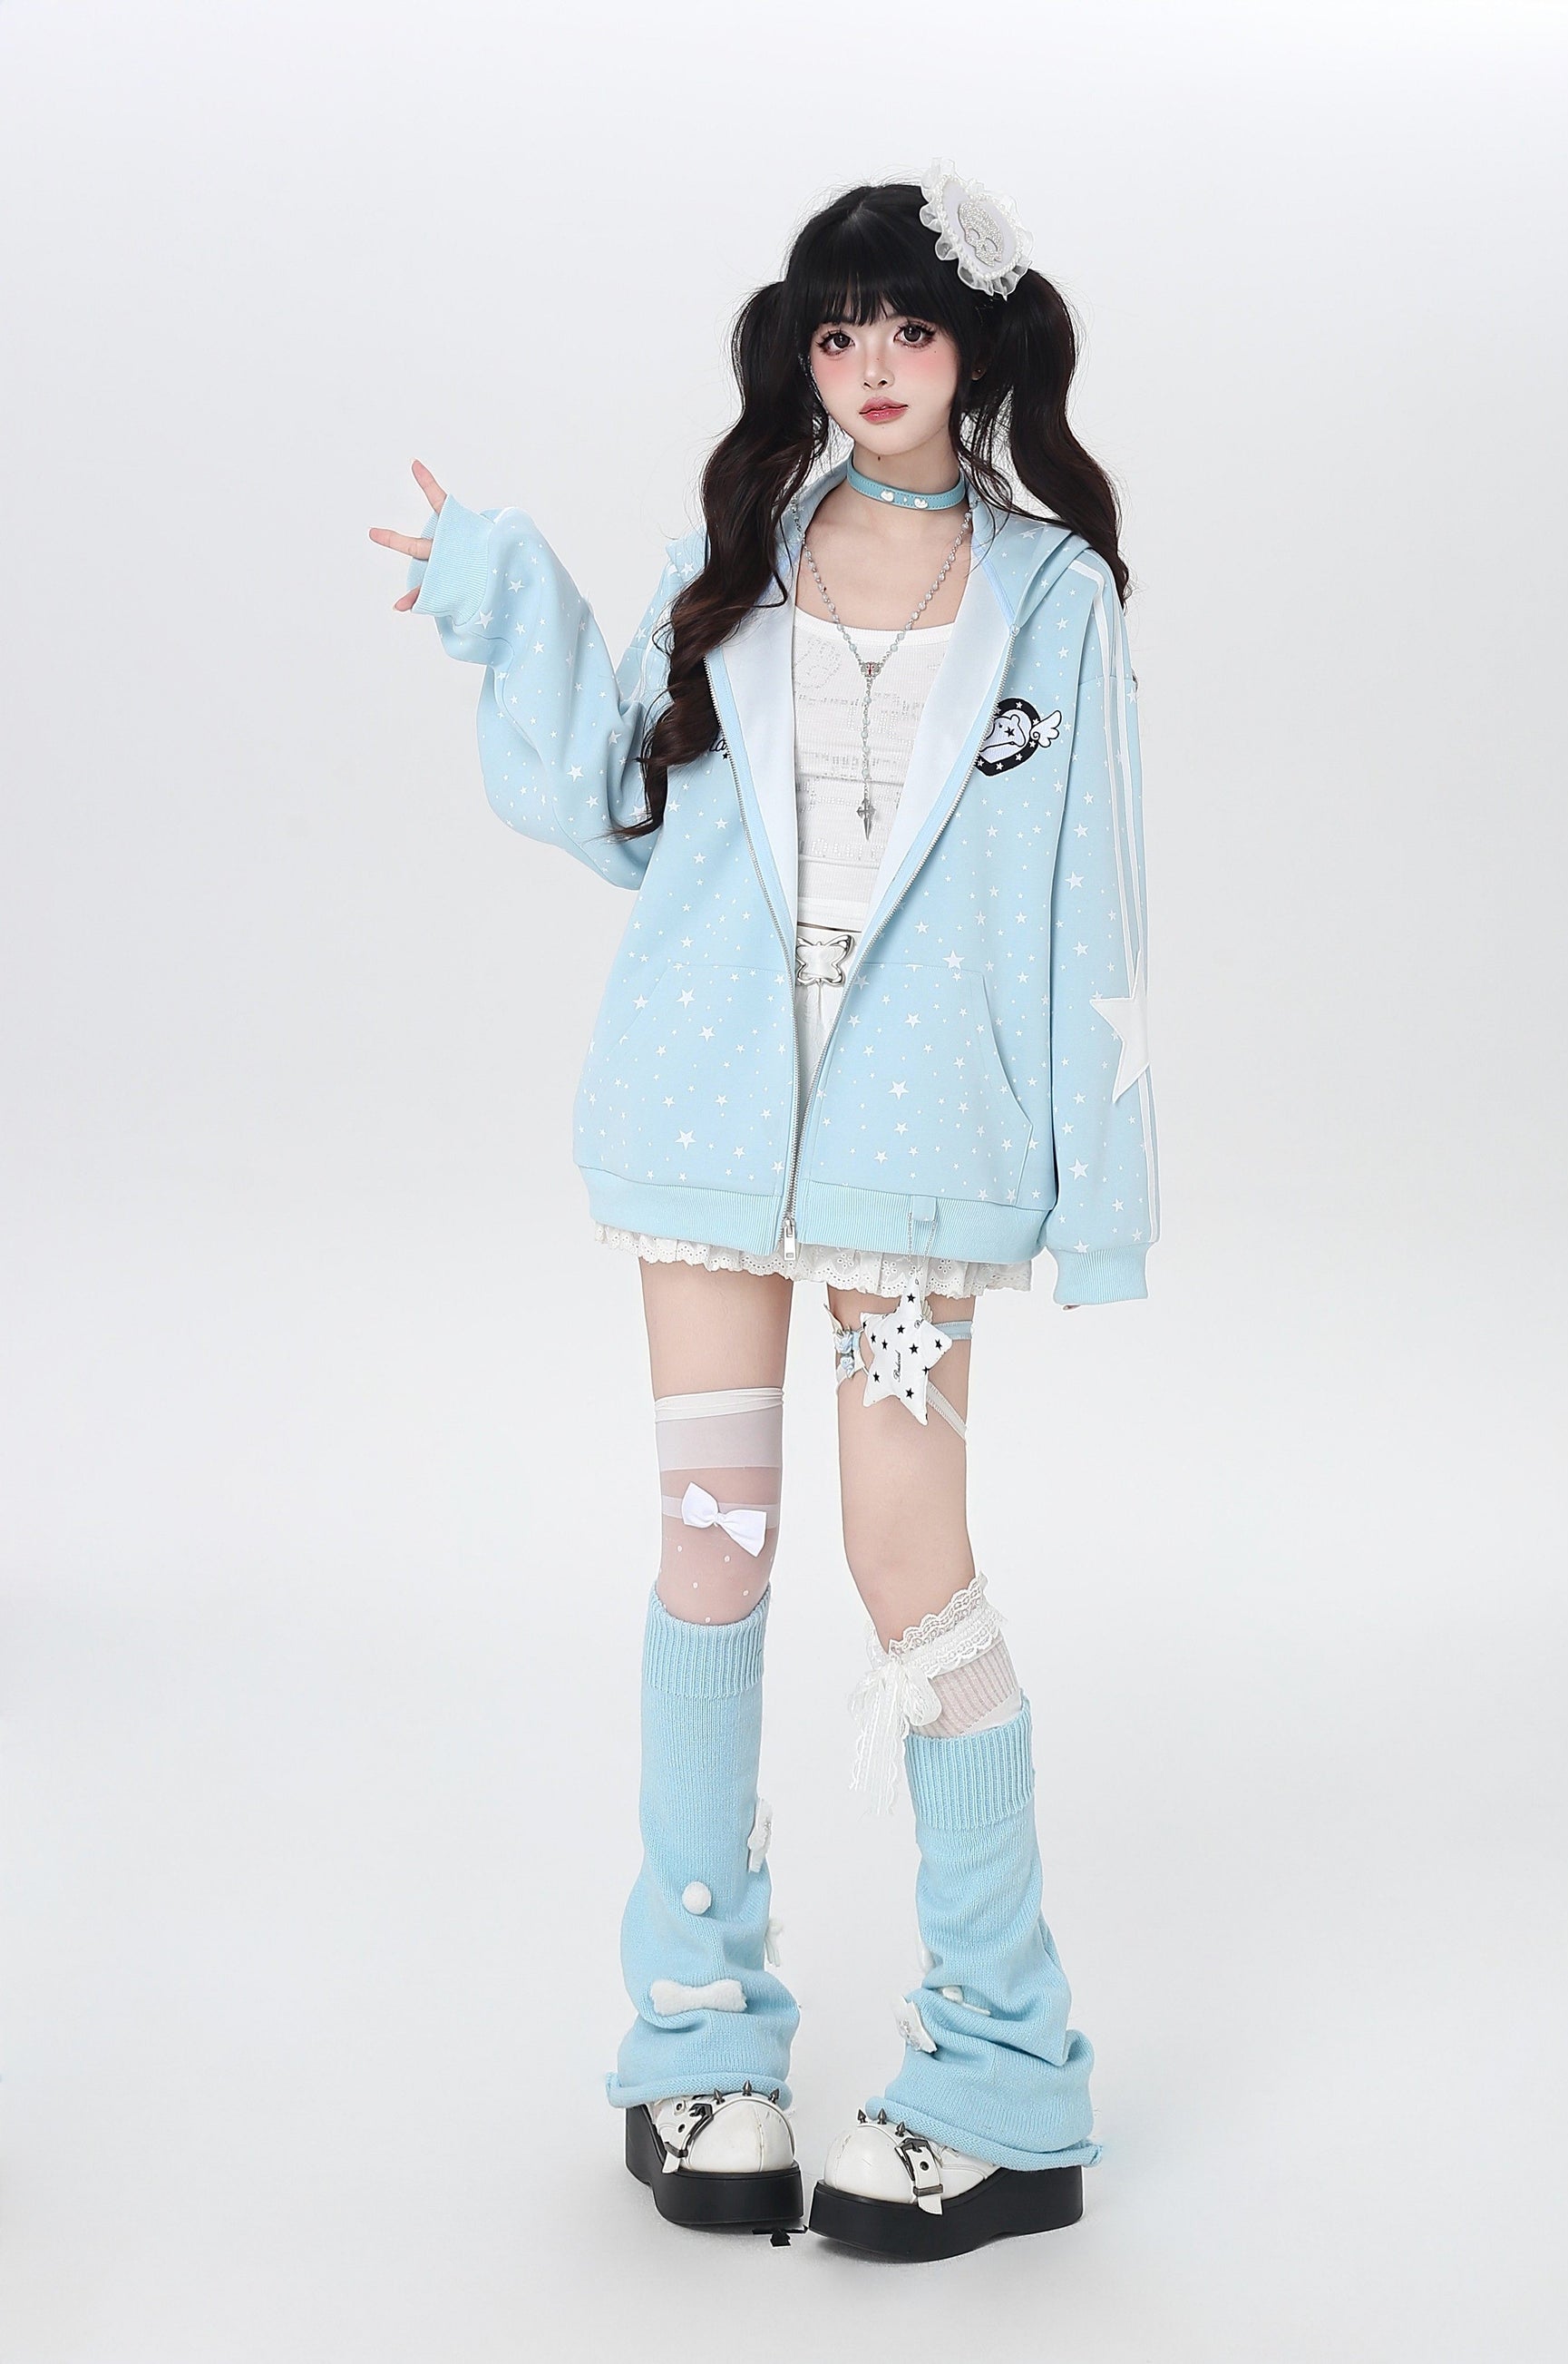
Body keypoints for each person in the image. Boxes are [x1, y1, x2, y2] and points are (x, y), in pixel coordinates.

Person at [369, 162, 1158, 2261]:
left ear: (976, 347)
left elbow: (1093, 895)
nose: (871, 366)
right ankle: (696, 2042)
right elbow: (632, 811)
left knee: (914, 1568)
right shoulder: (749, 550)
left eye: (908, 328)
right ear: (799, 357)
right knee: (710, 1554)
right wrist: (508, 595)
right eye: (836, 332)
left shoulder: (1052, 591)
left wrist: (1097, 1194)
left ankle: (1005, 2070)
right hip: (707, 1124)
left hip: (918, 1154)